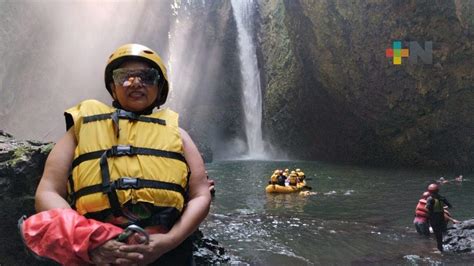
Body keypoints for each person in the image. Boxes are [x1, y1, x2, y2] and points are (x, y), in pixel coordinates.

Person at [34, 44, 211, 265]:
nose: (136, 83)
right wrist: (90, 239)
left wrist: (168, 241)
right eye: (124, 77)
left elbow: (201, 195)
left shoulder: (179, 135)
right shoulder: (80, 130)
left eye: (147, 77)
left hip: (165, 251)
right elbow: (47, 191)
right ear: (112, 87)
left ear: (160, 87)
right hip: (93, 250)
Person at [425, 183, 452, 252]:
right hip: (441, 217)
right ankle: (441, 246)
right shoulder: (442, 197)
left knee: (437, 233)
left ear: (429, 191)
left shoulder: (430, 199)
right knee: (441, 232)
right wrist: (442, 208)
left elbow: (428, 209)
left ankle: (440, 248)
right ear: (438, 190)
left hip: (434, 218)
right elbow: (449, 206)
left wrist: (427, 218)